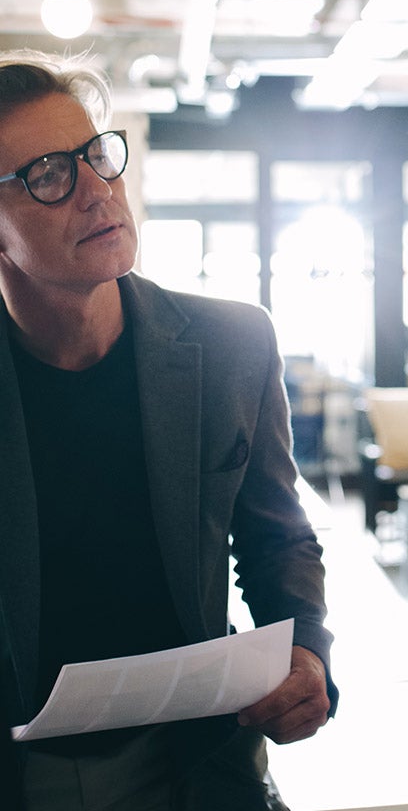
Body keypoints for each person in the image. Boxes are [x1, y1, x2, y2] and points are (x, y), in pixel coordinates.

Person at [0, 50, 337, 810]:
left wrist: (308, 648)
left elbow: (277, 537)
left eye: (96, 156)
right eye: (49, 174)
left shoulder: (231, 346)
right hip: (23, 772)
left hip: (201, 757)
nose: (96, 192)